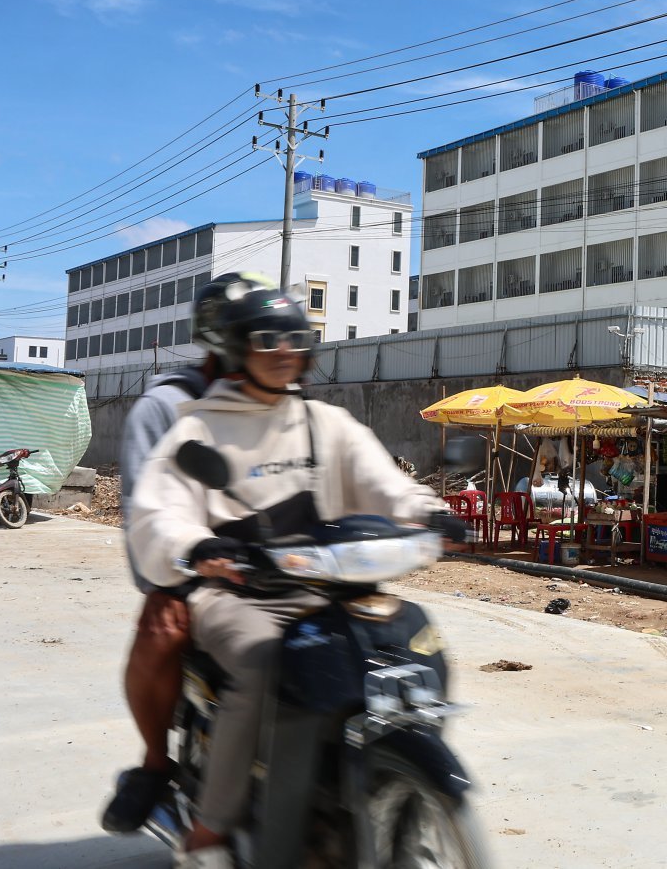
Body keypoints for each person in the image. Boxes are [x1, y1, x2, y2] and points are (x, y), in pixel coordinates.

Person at [126, 273, 463, 868]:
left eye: (295, 339)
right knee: (265, 661)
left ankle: (383, 781)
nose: (284, 352)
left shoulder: (325, 422)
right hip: (235, 593)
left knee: (414, 638)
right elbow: (159, 513)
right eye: (266, 339)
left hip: (326, 583)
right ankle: (212, 825)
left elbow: (387, 485)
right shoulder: (198, 427)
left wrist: (431, 512)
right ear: (236, 348)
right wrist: (198, 545)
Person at [100, 335, 221, 834]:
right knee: (161, 628)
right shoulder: (165, 406)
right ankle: (156, 764)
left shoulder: (290, 407)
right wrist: (167, 579)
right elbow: (143, 510)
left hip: (280, 562)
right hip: (193, 565)